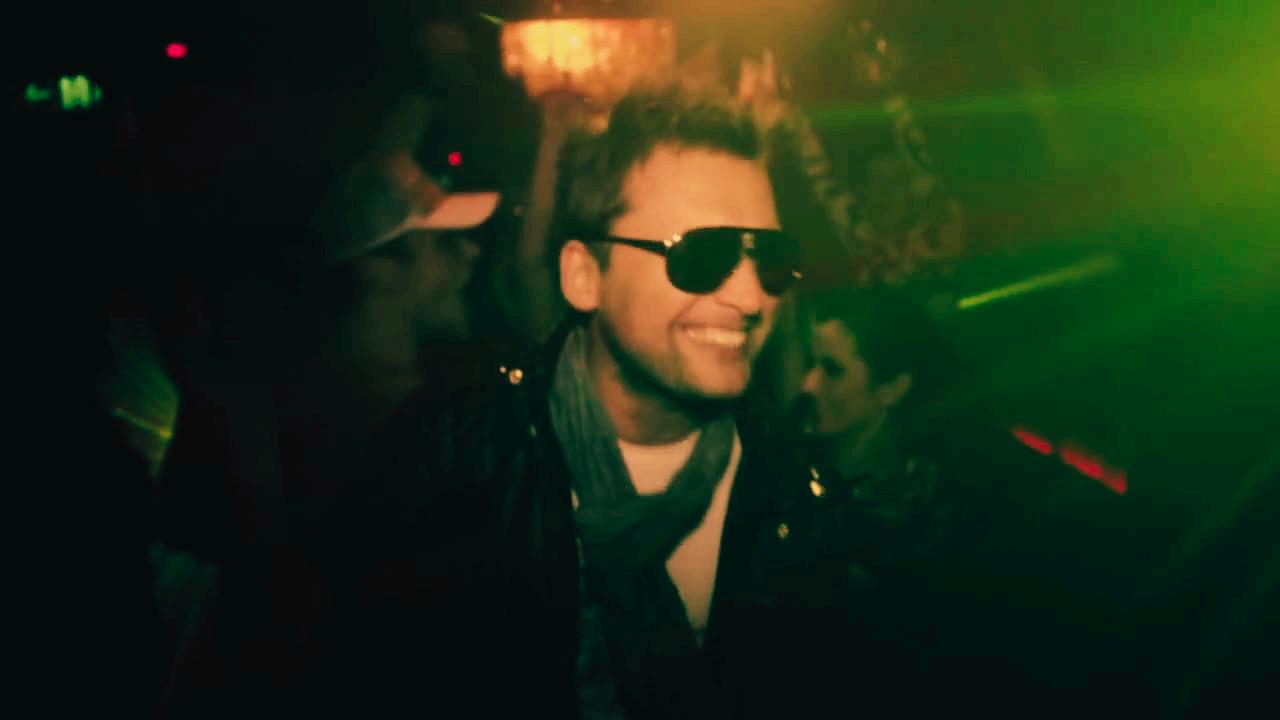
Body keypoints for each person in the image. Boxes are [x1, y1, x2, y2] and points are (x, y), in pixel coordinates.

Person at [314, 84, 872, 718]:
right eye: (701, 254)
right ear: (584, 277)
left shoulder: (801, 499)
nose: (750, 298)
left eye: (768, 256)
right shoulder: (449, 468)